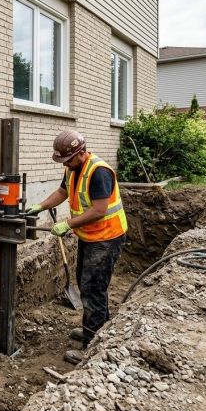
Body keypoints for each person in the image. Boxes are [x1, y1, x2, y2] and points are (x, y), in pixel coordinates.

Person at [26, 131, 127, 365]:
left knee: (93, 289)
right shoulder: (72, 168)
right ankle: (98, 329)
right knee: (86, 283)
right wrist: (40, 206)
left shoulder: (99, 172)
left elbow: (99, 210)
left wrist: (68, 224)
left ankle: (91, 347)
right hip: (90, 236)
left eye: (67, 160)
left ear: (80, 153)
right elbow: (63, 192)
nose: (65, 165)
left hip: (107, 238)